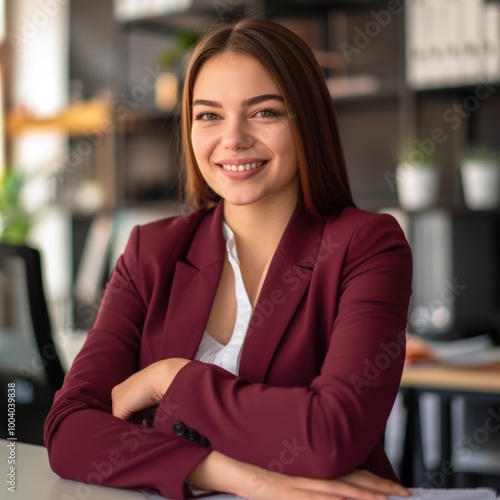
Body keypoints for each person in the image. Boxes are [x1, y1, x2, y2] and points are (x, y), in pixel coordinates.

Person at [45, 18, 413, 500]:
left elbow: (331, 437)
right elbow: (69, 430)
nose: (233, 139)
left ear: (307, 121)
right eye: (209, 115)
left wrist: (169, 378)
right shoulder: (150, 251)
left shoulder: (366, 245)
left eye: (264, 112)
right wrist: (234, 475)